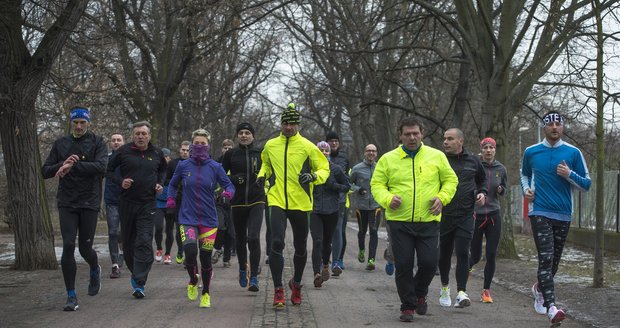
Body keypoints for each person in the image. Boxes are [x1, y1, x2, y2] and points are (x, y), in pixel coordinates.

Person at [370, 117, 458, 322]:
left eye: (415, 133)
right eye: (407, 134)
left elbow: (450, 180)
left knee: (429, 263)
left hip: (429, 220)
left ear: (422, 134)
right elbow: (377, 184)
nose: (412, 137)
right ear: (400, 136)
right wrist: (387, 198)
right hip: (399, 222)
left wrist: (442, 198)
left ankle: (419, 293)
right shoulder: (388, 159)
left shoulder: (436, 156)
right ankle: (408, 306)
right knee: (404, 264)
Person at [521, 111, 591, 325]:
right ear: (544, 127)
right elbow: (524, 174)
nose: (554, 127)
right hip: (539, 210)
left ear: (562, 128)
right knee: (546, 257)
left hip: (563, 213)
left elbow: (586, 184)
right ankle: (551, 306)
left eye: (557, 125)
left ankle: (539, 288)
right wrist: (526, 191)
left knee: (555, 261)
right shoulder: (531, 152)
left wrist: (569, 174)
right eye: (550, 124)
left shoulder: (573, 152)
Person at [257, 102, 330, 308]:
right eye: (285, 123)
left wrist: (314, 176)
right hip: (277, 199)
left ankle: (296, 284)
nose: (288, 127)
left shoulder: (308, 146)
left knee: (300, 247)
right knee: (277, 243)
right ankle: (278, 289)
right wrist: (262, 176)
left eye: (292, 123)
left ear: (298, 125)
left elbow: (324, 168)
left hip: (301, 202)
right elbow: (265, 164)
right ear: (281, 123)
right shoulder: (271, 145)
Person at [42, 106, 108, 311]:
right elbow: (45, 171)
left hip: (89, 201)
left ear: (88, 123)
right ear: (71, 122)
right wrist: (62, 163)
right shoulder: (61, 143)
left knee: (84, 248)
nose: (79, 126)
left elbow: (101, 168)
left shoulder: (98, 142)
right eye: (75, 122)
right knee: (68, 245)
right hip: (67, 202)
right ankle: (71, 295)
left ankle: (94, 268)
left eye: (83, 123)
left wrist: (74, 164)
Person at [167, 128, 235, 308]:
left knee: (205, 259)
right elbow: (172, 185)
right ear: (191, 145)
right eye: (196, 143)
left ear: (208, 146)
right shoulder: (183, 165)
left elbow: (229, 185)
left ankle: (206, 292)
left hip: (208, 220)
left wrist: (228, 194)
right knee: (190, 252)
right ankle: (192, 280)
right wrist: (171, 199)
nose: (199, 146)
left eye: (202, 144)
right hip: (187, 217)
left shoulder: (215, 167)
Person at [106, 121, 167, 299]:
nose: (140, 136)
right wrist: (120, 182)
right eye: (137, 134)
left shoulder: (156, 153)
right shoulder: (123, 151)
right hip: (127, 203)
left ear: (149, 136)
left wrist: (160, 184)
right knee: (129, 243)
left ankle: (139, 282)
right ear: (133, 136)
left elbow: (163, 170)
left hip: (147, 204)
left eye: (143, 133)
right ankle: (136, 273)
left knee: (144, 241)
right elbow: (108, 171)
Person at [438, 128, 487, 309]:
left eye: (450, 139)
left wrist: (482, 193)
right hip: (443, 215)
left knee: (462, 252)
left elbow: (482, 180)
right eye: (444, 139)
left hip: (466, 214)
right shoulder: (439, 160)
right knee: (444, 254)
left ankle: (460, 292)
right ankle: (444, 287)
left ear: (461, 141)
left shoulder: (474, 160)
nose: (445, 142)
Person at [221, 123, 266, 292]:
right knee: (240, 239)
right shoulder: (231, 154)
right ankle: (242, 267)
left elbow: (270, 171)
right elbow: (221, 176)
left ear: (253, 135)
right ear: (237, 136)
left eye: (247, 133)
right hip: (238, 202)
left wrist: (264, 181)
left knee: (253, 237)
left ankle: (254, 276)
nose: (244, 135)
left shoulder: (261, 153)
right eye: (241, 133)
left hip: (257, 200)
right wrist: (233, 179)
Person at [469, 137, 507, 303]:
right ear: (481, 150)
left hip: (493, 215)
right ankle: (468, 266)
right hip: (476, 215)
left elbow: (504, 188)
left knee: (491, 254)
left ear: (495, 150)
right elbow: (468, 187)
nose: (488, 150)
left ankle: (486, 291)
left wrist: (501, 189)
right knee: (476, 255)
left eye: (491, 147)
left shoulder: (501, 169)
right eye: (485, 147)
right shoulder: (475, 167)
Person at [310, 141, 350, 287]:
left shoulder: (336, 169)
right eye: (320, 150)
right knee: (317, 241)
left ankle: (325, 265)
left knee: (327, 242)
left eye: (326, 150)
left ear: (329, 153)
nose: (324, 152)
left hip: (332, 210)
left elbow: (347, 186)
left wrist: (333, 186)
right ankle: (316, 273)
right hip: (314, 210)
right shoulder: (310, 168)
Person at [349, 143, 383, 271]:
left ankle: (371, 259)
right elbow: (348, 183)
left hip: (376, 205)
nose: (371, 153)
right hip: (361, 206)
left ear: (376, 153)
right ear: (365, 153)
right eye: (369, 150)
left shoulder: (380, 168)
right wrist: (358, 189)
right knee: (362, 231)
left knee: (374, 231)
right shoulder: (357, 168)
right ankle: (362, 249)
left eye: (373, 151)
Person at [326, 131, 350, 275]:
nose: (333, 143)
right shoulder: (320, 156)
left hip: (340, 200)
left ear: (339, 143)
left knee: (338, 230)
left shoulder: (345, 158)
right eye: (331, 141)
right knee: (324, 233)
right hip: (321, 201)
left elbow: (348, 179)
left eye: (336, 141)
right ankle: (324, 259)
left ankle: (337, 261)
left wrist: (341, 189)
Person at [165, 141, 191, 264]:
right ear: (179, 150)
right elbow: (167, 180)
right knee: (180, 227)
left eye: (188, 150)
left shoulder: (194, 164)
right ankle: (181, 249)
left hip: (191, 200)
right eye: (183, 150)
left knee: (189, 228)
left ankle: (188, 255)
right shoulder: (172, 164)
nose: (185, 152)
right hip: (177, 200)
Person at [104, 132, 125, 278]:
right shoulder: (106, 159)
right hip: (111, 200)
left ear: (123, 142)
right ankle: (115, 265)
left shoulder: (129, 159)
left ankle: (123, 252)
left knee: (123, 233)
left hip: (127, 200)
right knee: (113, 232)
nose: (116, 142)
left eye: (119, 140)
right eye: (113, 140)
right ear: (110, 143)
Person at [212, 139, 236, 267]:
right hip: (219, 202)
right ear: (222, 149)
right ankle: (217, 248)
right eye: (225, 147)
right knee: (220, 226)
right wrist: (218, 193)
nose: (227, 150)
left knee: (231, 233)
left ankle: (226, 258)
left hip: (234, 202)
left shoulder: (237, 162)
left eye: (229, 147)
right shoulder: (216, 163)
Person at [154, 148, 172, 262]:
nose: (164, 158)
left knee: (169, 230)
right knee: (159, 228)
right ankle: (159, 248)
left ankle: (168, 253)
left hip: (170, 203)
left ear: (169, 157)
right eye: (162, 157)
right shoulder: (156, 169)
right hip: (158, 203)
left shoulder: (174, 168)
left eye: (166, 156)